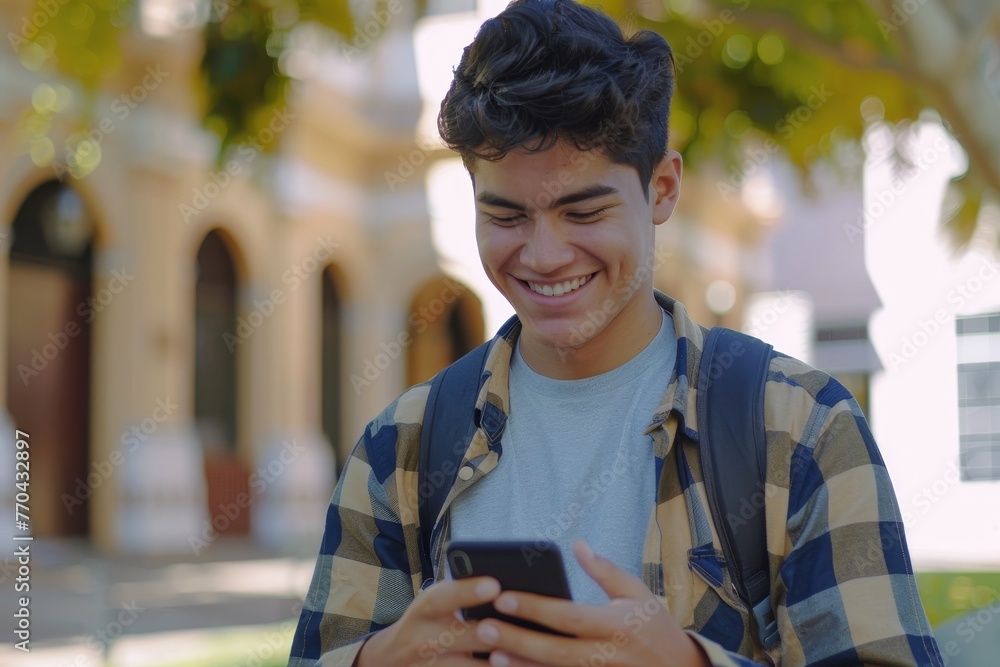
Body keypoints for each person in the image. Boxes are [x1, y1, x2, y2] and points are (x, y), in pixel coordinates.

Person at [288, 1, 944, 665]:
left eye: (583, 210)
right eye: (507, 215)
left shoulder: (800, 429)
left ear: (662, 189)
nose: (543, 255)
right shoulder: (402, 447)